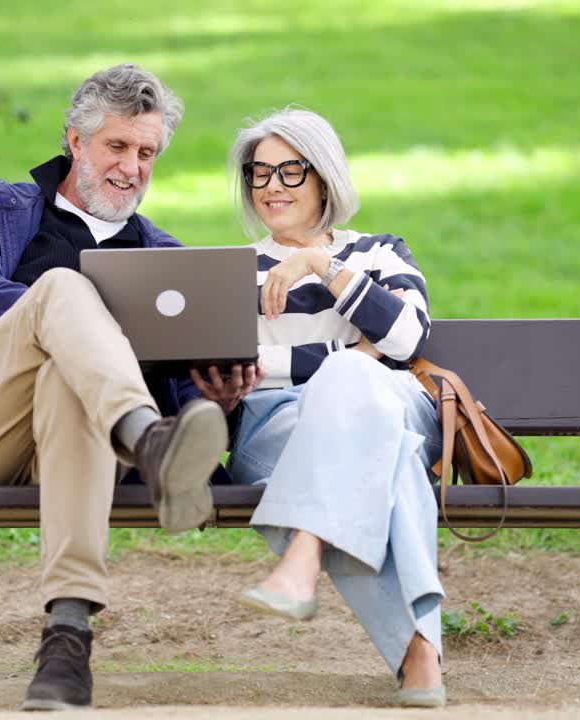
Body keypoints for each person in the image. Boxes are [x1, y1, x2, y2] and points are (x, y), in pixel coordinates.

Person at [0, 64, 257, 712]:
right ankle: (146, 440)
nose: (132, 166)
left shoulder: (164, 256)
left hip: (77, 442)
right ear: (75, 141)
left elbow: (186, 380)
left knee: (71, 380)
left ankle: (68, 639)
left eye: (146, 152)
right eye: (117, 146)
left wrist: (216, 402)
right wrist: (83, 319)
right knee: (67, 289)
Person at [200, 107, 447, 708]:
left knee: (358, 386)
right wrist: (349, 351)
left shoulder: (380, 251)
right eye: (259, 174)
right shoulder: (231, 271)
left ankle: (302, 558)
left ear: (325, 177)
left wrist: (319, 266)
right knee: (385, 450)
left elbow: (407, 341)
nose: (271, 187)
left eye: (290, 171)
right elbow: (248, 370)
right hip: (280, 426)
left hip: (394, 405)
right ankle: (421, 655)